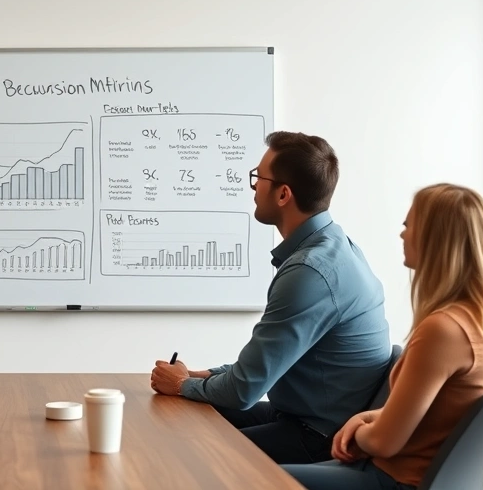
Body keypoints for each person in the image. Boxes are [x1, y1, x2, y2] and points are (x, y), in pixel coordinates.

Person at [149, 131, 392, 464]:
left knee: (194, 452)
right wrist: (193, 376)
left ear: (283, 194)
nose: (253, 188)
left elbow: (243, 391)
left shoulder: (310, 272)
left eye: (258, 178)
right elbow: (261, 367)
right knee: (183, 421)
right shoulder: (337, 247)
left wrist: (181, 386)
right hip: (304, 417)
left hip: (320, 437)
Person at [283, 184, 483, 489]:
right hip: (408, 478)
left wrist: (358, 432)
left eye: (408, 225)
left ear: (434, 238)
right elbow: (431, 411)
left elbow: (384, 444)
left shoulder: (444, 330)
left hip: (391, 480)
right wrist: (367, 418)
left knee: (248, 477)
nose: (402, 234)